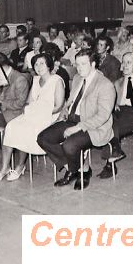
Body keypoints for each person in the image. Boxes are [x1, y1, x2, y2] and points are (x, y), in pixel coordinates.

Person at [37, 49, 116, 191]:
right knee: (43, 138)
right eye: (77, 64)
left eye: (83, 64)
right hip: (72, 119)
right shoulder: (78, 79)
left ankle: (81, 172)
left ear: (93, 64)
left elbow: (102, 116)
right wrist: (64, 111)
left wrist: (78, 127)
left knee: (70, 145)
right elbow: (71, 101)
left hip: (93, 126)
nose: (79, 68)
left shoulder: (105, 85)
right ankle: (77, 168)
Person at [0, 53, 65, 182]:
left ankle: (20, 166)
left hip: (50, 115)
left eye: (42, 63)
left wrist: (42, 113)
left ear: (48, 65)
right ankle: (5, 167)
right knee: (11, 126)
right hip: (34, 113)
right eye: (36, 64)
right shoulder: (36, 80)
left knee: (26, 129)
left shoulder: (57, 80)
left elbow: (58, 106)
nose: (38, 66)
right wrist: (28, 110)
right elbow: (29, 100)